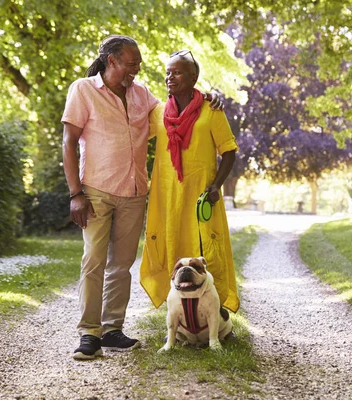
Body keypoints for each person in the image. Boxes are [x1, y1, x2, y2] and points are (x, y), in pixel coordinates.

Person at [61, 36, 223, 360]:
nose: (136, 69)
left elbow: (178, 105)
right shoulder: (83, 90)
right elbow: (68, 141)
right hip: (95, 190)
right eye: (130, 63)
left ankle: (111, 329)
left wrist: (208, 95)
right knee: (93, 261)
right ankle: (88, 334)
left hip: (134, 192)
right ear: (111, 61)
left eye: (138, 64)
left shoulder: (142, 96)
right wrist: (75, 193)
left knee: (121, 266)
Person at [139, 50, 240, 318]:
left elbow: (228, 151)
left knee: (206, 247)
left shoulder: (211, 111)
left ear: (194, 77)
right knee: (170, 246)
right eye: (168, 72)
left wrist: (217, 185)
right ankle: (180, 314)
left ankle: (214, 311)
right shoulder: (159, 112)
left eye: (177, 72)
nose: (170, 77)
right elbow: (131, 129)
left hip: (201, 197)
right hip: (167, 196)